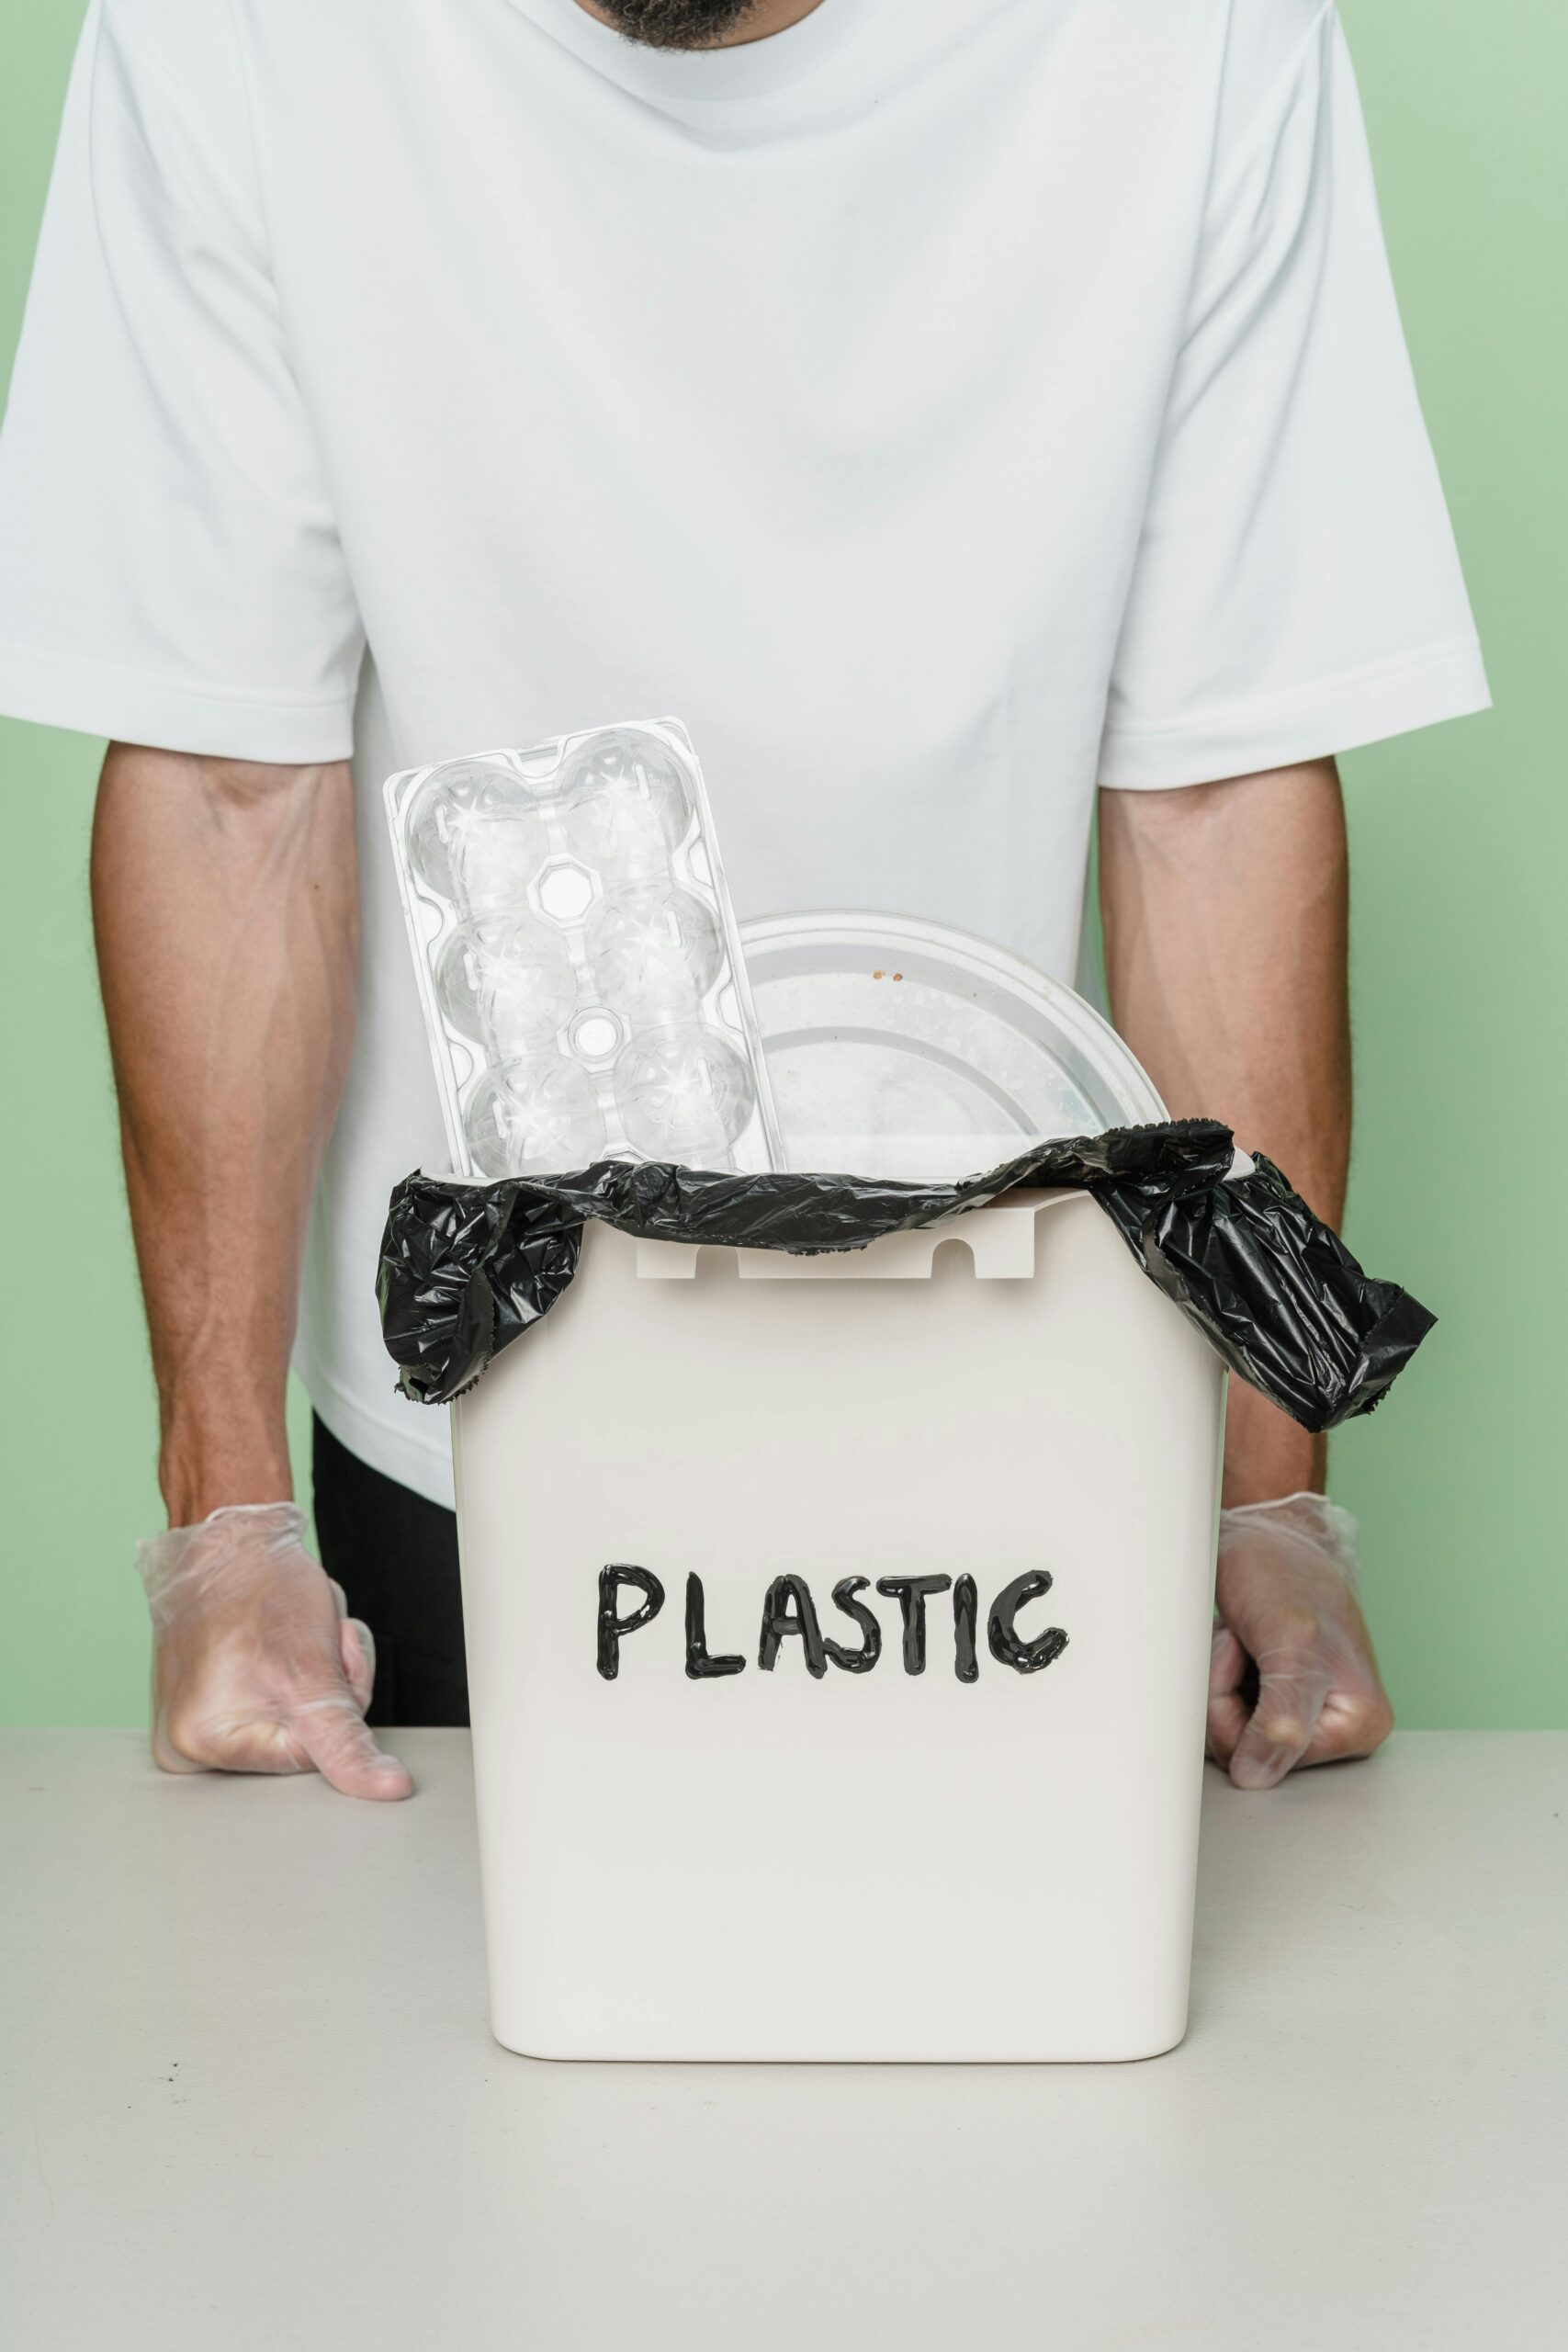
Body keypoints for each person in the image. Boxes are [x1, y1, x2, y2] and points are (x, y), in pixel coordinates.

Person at [0, 0, 1485, 1798]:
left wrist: (1266, 1484)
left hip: (1019, 1408)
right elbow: (235, 786)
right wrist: (225, 1515)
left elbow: (1214, 788)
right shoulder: (232, 29)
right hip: (481, 1435)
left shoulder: (1195, 35)